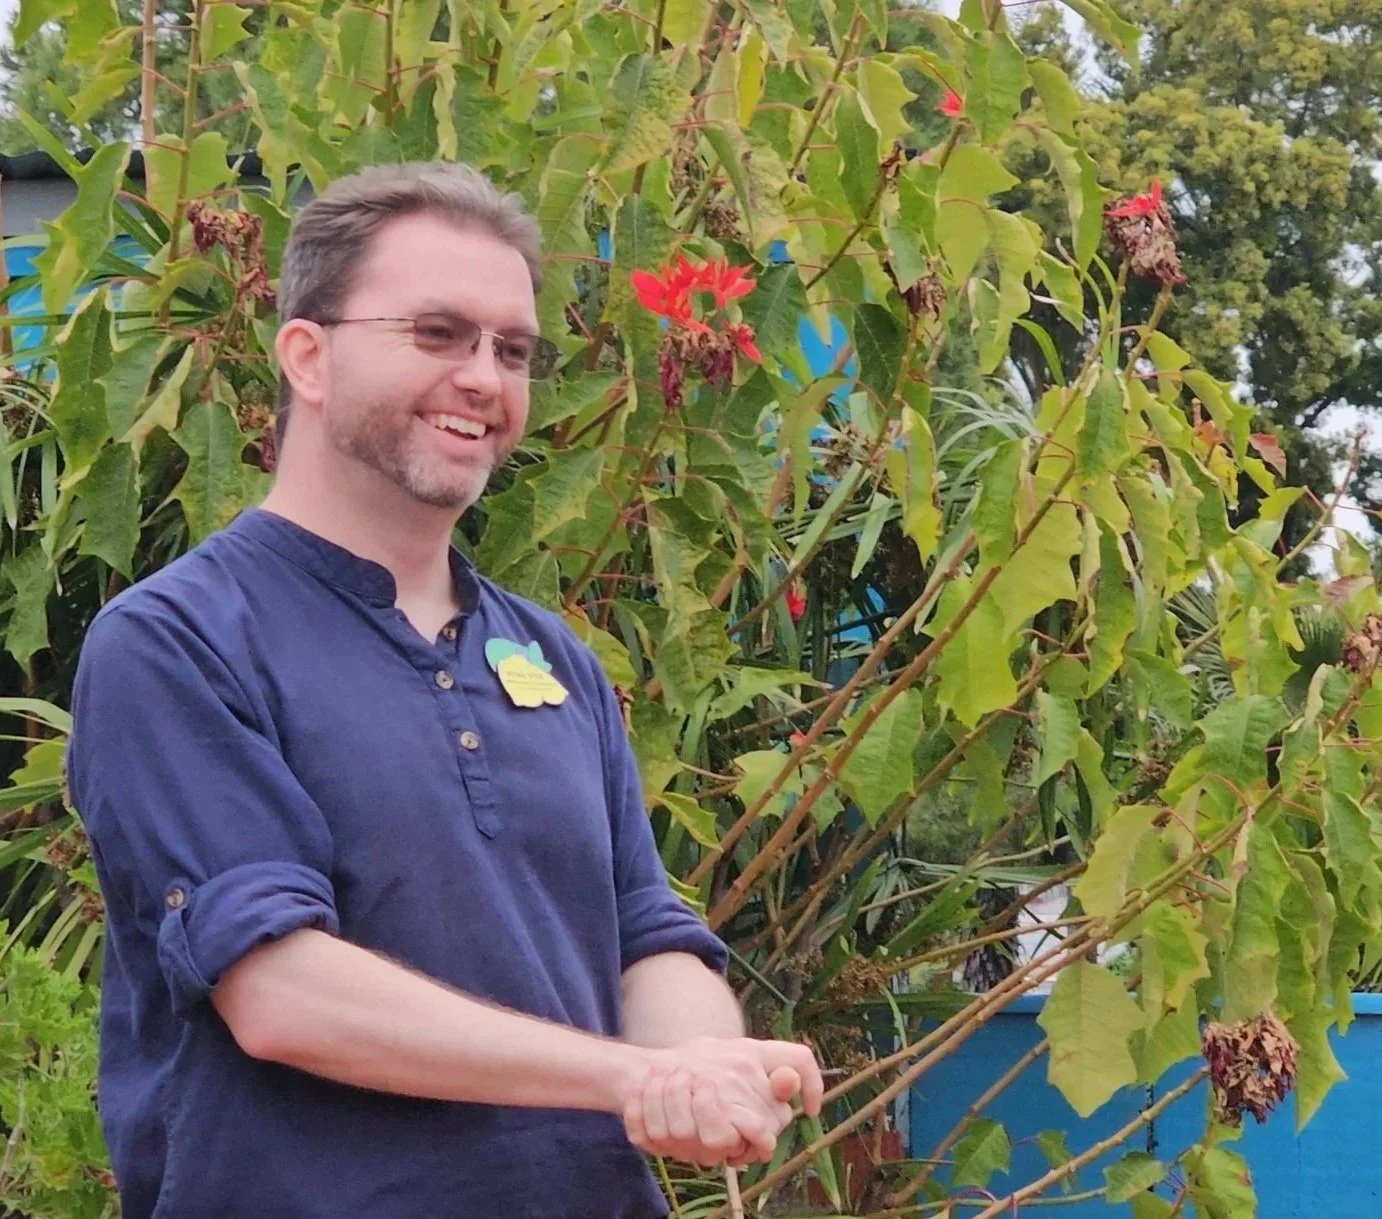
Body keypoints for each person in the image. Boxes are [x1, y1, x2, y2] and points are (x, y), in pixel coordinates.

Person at [65, 160, 820, 1219]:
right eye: (437, 334)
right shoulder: (177, 641)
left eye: (511, 350)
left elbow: (646, 935)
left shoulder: (554, 659)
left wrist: (708, 1061)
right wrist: (626, 1077)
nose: (484, 378)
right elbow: (280, 993)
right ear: (307, 355)